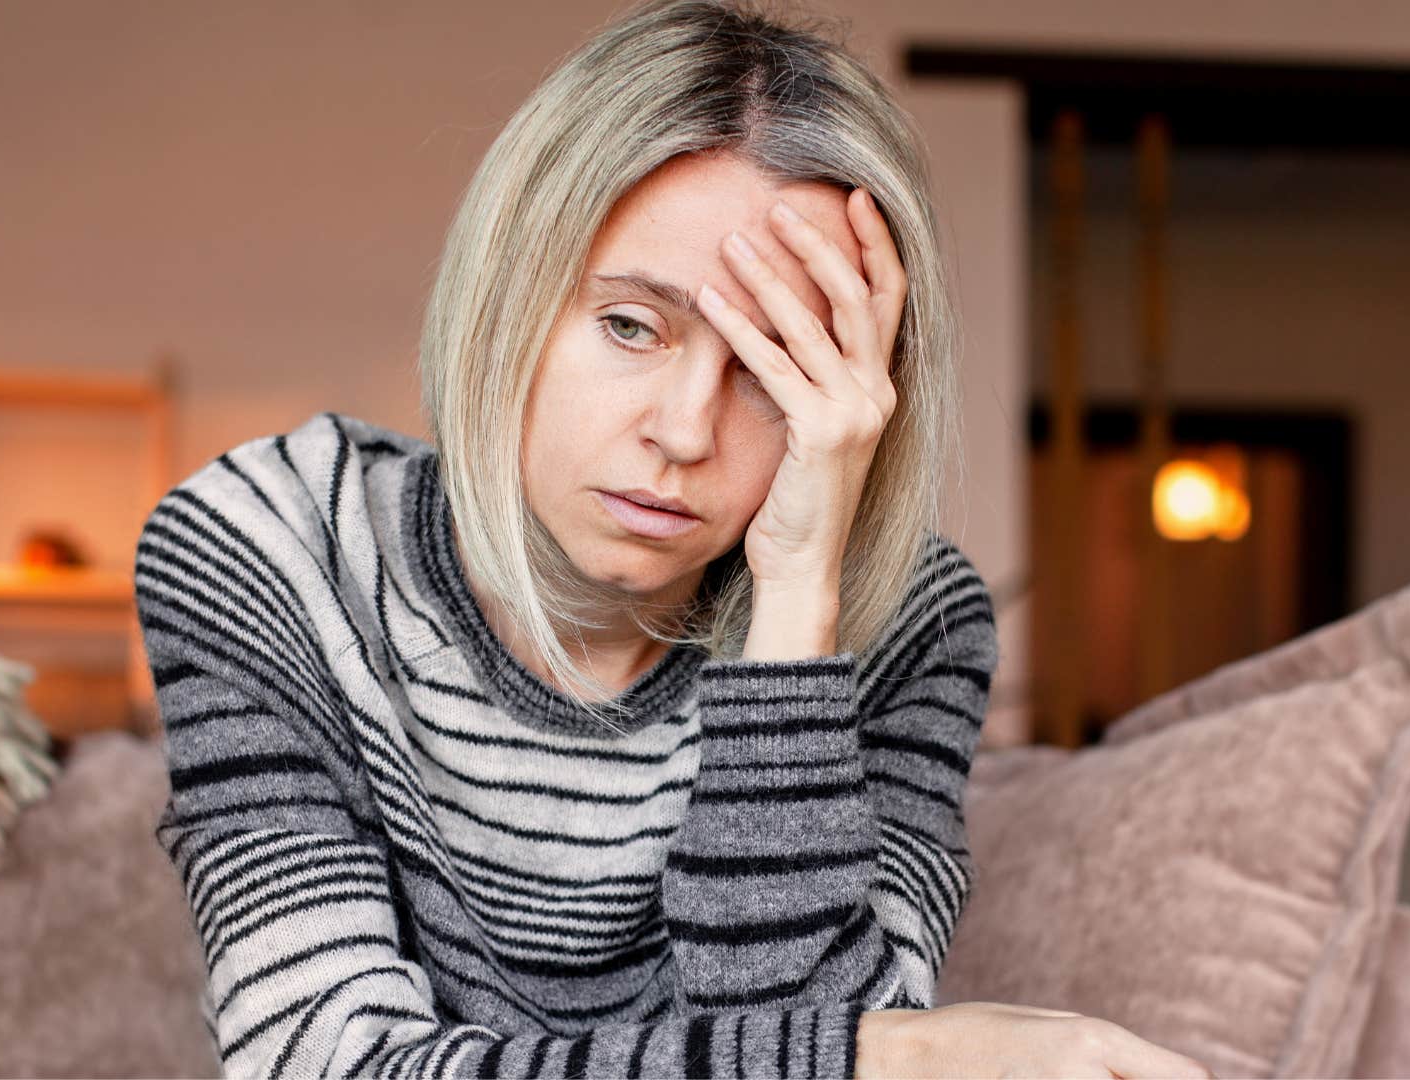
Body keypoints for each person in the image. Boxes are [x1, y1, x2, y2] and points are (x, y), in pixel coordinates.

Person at [133, 1, 1213, 1076]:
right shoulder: (265, 550)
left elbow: (812, 1027)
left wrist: (794, 604)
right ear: (505, 294)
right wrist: (898, 1062)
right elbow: (324, 1065)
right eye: (630, 326)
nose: (686, 431)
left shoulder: (911, 622)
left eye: (772, 366)